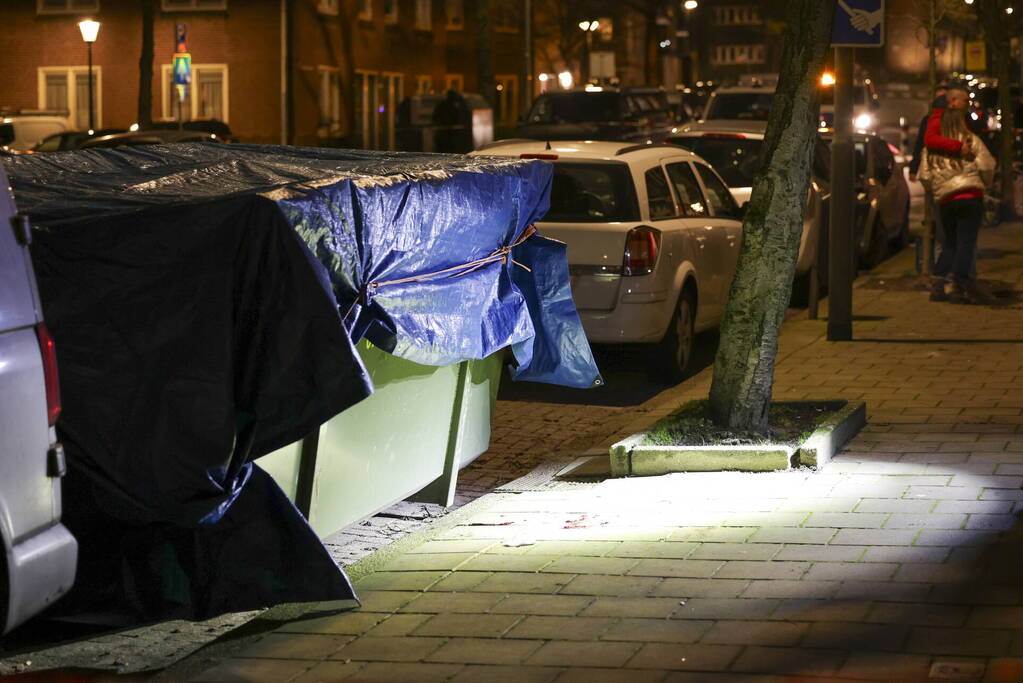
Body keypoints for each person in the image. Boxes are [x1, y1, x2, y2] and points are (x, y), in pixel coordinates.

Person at [918, 86, 995, 303]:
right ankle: (963, 282)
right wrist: (984, 184)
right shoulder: (970, 141)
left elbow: (924, 175)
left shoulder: (931, 148)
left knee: (950, 243)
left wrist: (937, 189)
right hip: (970, 196)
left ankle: (939, 283)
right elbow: (987, 165)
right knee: (966, 243)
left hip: (946, 200)